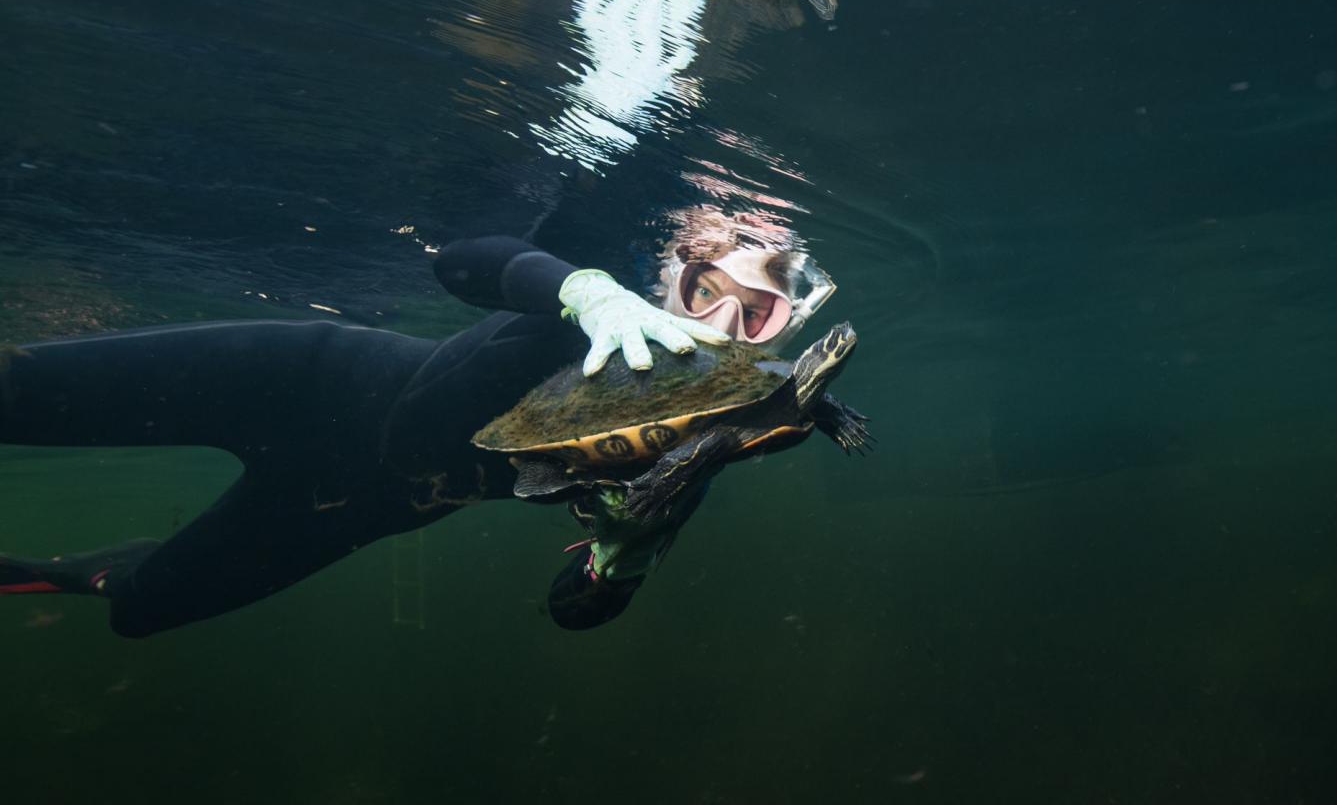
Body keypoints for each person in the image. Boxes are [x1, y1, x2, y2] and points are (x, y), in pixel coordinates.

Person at [0, 229, 835, 636]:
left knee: (144, 609)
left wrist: (621, 562)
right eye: (704, 289)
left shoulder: (693, 442)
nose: (722, 321)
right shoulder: (592, 314)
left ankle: (57, 575)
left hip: (353, 509)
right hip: (299, 380)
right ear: (674, 273)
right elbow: (462, 261)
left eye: (757, 316)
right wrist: (586, 290)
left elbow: (571, 612)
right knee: (18, 395)